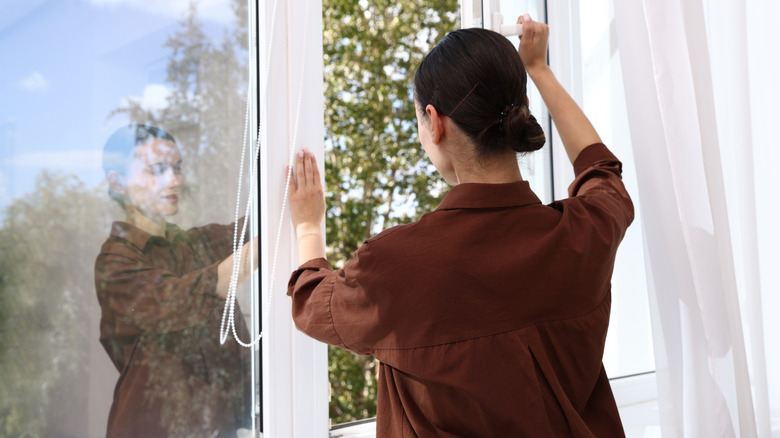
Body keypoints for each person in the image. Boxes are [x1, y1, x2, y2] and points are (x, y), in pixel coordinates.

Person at [287, 14, 634, 437]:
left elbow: (310, 302)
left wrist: (307, 225)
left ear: (435, 122)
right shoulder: (585, 233)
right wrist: (539, 69)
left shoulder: (397, 266)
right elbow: (600, 170)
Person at [95, 124, 257, 438]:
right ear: (117, 182)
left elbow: (261, 223)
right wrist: (260, 249)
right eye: (157, 170)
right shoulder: (115, 263)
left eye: (177, 168)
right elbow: (179, 299)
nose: (174, 181)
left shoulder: (195, 244)